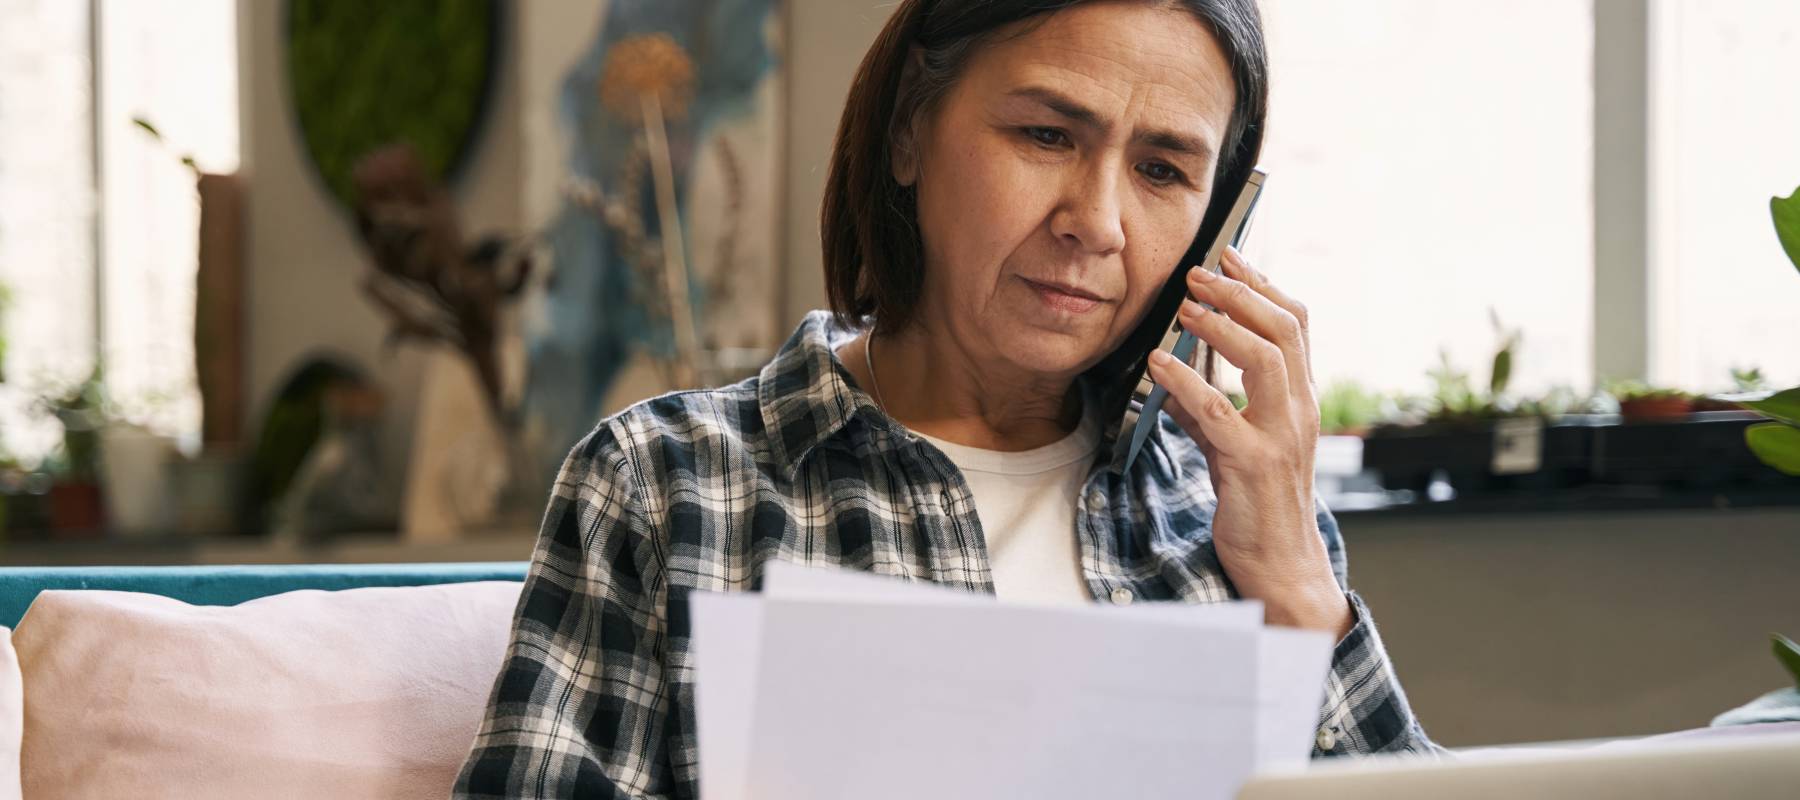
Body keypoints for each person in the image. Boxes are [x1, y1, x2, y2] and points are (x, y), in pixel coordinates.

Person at [455, 0, 1439, 796]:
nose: (1097, 222)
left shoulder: (1240, 517)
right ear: (908, 133)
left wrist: (1300, 592)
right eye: (1046, 134)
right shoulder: (663, 483)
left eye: (1162, 170)